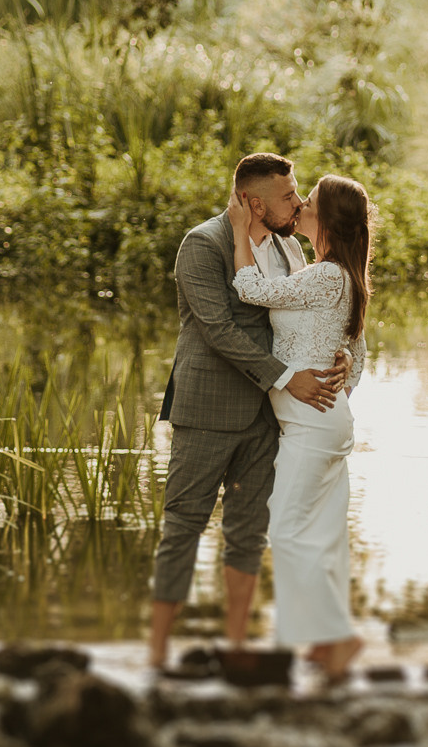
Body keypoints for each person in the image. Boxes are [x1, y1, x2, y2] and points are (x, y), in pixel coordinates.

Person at [146, 153, 350, 673]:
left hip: (268, 420)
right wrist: (286, 376)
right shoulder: (203, 244)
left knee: (248, 533)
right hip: (208, 410)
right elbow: (218, 329)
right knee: (183, 526)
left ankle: (236, 649)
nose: (298, 202)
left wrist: (336, 356)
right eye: (288, 196)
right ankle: (156, 652)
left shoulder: (287, 246)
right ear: (254, 203)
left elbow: (304, 314)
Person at [229, 169, 373, 682]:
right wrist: (344, 376)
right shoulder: (336, 275)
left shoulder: (328, 274)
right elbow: (357, 351)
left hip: (312, 426)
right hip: (323, 422)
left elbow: (250, 289)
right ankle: (322, 640)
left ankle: (341, 637)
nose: (300, 206)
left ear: (325, 218)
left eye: (307, 200)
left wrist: (240, 228)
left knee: (287, 529)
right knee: (325, 534)